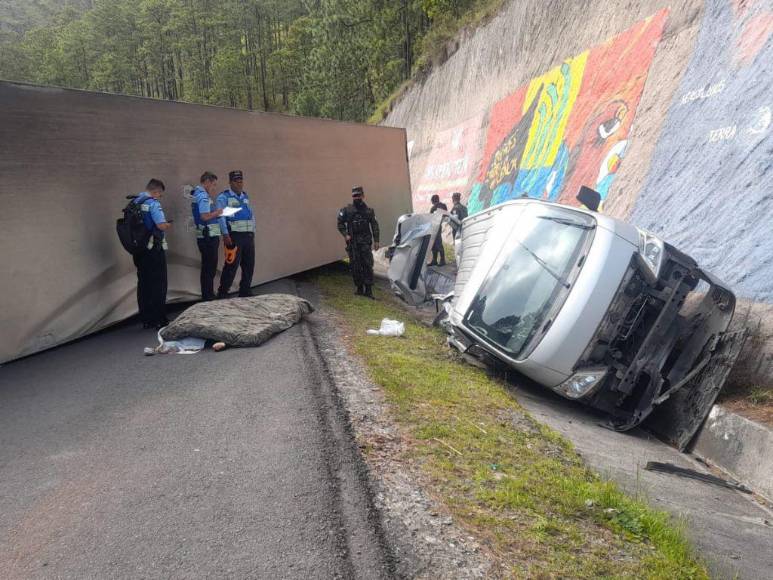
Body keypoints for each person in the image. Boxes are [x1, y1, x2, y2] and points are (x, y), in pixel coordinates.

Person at [133, 179, 172, 329]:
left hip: (139, 249)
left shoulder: (135, 202)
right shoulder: (153, 203)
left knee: (144, 283)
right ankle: (160, 319)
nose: (160, 196)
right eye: (160, 194)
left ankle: (146, 319)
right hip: (153, 248)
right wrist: (168, 224)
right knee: (159, 283)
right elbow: (160, 225)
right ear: (156, 191)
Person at [216, 170, 256, 298]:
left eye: (241, 181)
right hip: (234, 236)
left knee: (249, 264)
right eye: (236, 181)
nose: (239, 184)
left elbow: (250, 214)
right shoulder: (224, 197)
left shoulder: (245, 196)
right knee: (231, 265)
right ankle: (222, 293)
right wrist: (225, 234)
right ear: (230, 182)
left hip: (248, 236)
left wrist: (253, 230)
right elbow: (221, 217)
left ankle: (245, 291)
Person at [337, 186, 380, 299]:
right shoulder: (347, 210)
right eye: (355, 196)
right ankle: (359, 288)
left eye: (358, 195)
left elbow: (375, 226)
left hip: (365, 243)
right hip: (353, 244)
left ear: (363, 196)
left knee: (367, 265)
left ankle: (368, 290)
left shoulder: (369, 211)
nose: (357, 198)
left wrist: (376, 240)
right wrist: (345, 235)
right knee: (355, 266)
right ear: (352, 197)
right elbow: (340, 223)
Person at [191, 171, 226, 301]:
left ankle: (208, 294)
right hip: (208, 237)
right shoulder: (203, 196)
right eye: (214, 184)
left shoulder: (198, 194)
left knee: (208, 267)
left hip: (207, 236)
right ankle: (208, 296)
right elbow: (204, 216)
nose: (214, 187)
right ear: (207, 182)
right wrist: (218, 212)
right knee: (209, 268)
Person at [428, 194, 448, 266]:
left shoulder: (433, 208)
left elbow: (431, 218)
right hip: (439, 226)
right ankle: (437, 260)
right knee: (437, 243)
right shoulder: (443, 206)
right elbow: (446, 214)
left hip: (435, 227)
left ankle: (440, 260)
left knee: (436, 243)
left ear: (433, 201)